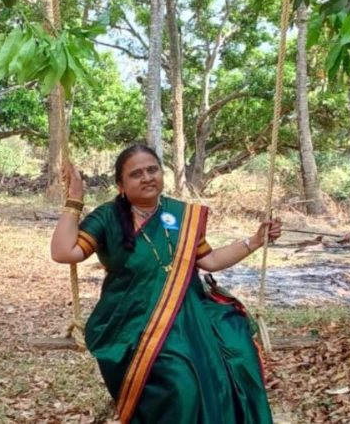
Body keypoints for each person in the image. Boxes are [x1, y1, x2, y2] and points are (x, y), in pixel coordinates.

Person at [51, 144, 281, 424]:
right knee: (181, 383)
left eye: (152, 169)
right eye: (136, 174)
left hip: (189, 315)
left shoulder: (181, 216)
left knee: (237, 354)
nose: (147, 177)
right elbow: (64, 252)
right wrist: (75, 200)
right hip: (132, 323)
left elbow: (209, 261)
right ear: (121, 185)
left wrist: (254, 241)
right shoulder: (107, 217)